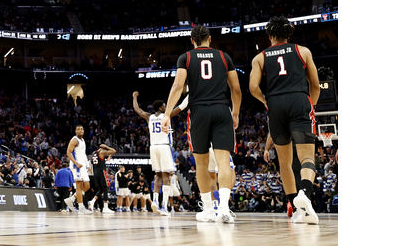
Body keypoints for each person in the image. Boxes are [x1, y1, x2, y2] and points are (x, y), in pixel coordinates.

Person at [161, 25, 241, 223]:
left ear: (192, 40)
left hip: (199, 112)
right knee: (223, 162)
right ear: (210, 39)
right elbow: (236, 89)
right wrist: (236, 112)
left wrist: (167, 115)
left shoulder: (185, 57)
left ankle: (208, 210)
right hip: (222, 110)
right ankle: (224, 208)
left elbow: (178, 86)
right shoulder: (224, 57)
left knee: (202, 165)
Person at [250, 16, 320, 225]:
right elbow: (315, 85)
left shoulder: (260, 57)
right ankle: (305, 194)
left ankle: (294, 207)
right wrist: (311, 107)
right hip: (299, 100)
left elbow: (253, 88)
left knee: (285, 161)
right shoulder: (303, 51)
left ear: (270, 35)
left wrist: (266, 101)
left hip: (275, 104)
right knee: (307, 156)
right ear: (289, 34)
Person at [131, 92, 185, 216]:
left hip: (153, 148)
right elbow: (181, 107)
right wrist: (190, 95)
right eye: (164, 105)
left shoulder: (149, 116)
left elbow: (137, 109)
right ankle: (164, 206)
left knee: (158, 176)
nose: (166, 106)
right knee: (166, 177)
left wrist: (134, 97)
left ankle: (155, 200)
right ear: (161, 107)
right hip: (164, 147)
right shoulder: (166, 115)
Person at [66, 125, 93, 214]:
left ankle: (72, 199)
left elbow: (84, 154)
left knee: (87, 186)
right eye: (78, 129)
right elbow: (68, 152)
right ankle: (81, 207)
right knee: (79, 186)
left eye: (82, 129)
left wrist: (88, 165)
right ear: (75, 131)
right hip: (76, 167)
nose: (80, 130)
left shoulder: (82, 140)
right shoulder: (74, 140)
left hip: (83, 167)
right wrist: (76, 163)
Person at [85, 143, 115, 213]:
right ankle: (105, 207)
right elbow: (114, 151)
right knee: (105, 188)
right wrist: (107, 147)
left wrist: (106, 160)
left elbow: (96, 162)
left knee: (101, 189)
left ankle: (92, 201)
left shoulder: (94, 153)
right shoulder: (102, 151)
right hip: (102, 171)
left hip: (95, 172)